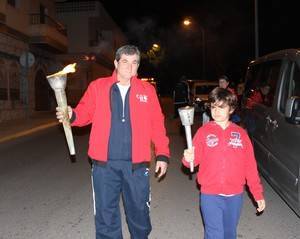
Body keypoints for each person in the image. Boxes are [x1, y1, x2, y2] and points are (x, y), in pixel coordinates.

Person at [56, 45, 170, 239]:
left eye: (134, 63)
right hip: (104, 165)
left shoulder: (147, 90)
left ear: (138, 66)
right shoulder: (98, 87)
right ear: (116, 63)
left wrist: (162, 154)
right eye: (125, 61)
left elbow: (157, 124)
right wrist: (72, 114)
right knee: (106, 216)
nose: (129, 67)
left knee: (139, 214)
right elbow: (84, 113)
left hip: (137, 164)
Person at [182, 87, 265, 239]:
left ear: (231, 109)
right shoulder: (203, 132)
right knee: (214, 234)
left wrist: (257, 194)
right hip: (210, 194)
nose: (216, 111)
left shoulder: (241, 134)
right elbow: (191, 162)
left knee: (229, 233)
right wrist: (188, 158)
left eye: (221, 107)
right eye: (213, 107)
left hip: (234, 195)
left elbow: (250, 166)